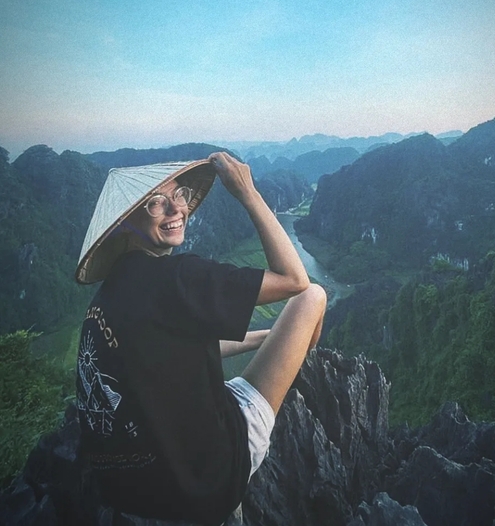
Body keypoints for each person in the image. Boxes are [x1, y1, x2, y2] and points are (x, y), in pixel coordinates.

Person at [75, 151, 327, 525]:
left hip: (127, 490)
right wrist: (248, 193)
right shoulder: (177, 278)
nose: (176, 209)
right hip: (206, 485)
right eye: (155, 203)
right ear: (126, 220)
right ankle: (307, 367)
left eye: (179, 195)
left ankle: (288, 350)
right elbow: (295, 280)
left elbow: (178, 350)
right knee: (314, 297)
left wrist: (268, 338)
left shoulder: (110, 294)